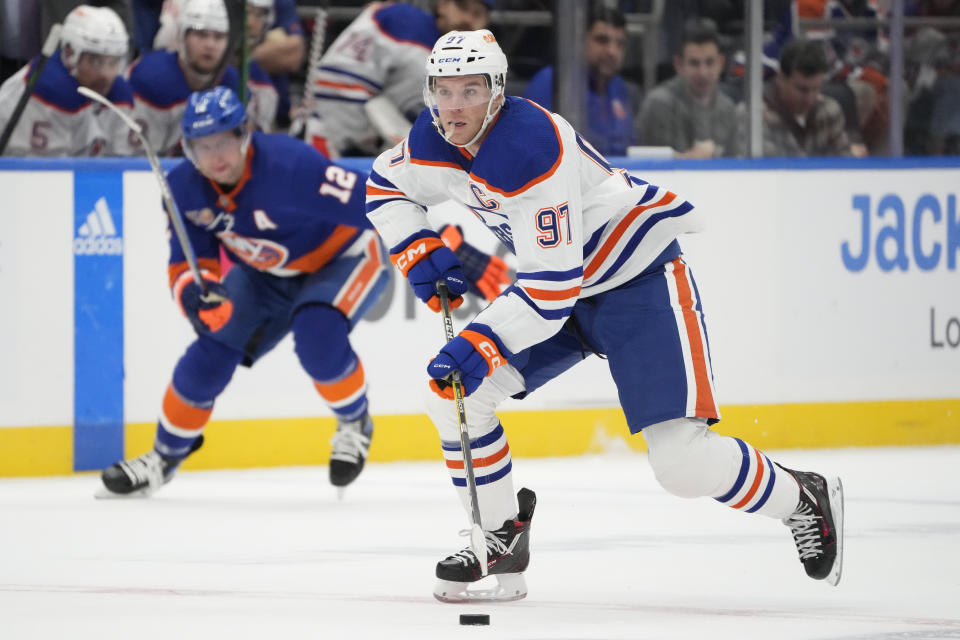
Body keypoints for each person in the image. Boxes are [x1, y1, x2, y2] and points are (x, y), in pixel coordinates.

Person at [366, 30, 845, 602]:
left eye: (471, 90)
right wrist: (417, 247)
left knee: (682, 465)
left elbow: (549, 291)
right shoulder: (433, 137)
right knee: (453, 394)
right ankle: (499, 536)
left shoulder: (531, 147)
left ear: (497, 92)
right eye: (444, 91)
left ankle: (803, 497)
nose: (455, 105)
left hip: (635, 281)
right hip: (564, 288)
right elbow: (384, 184)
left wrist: (482, 339)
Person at [99, 86, 388, 496]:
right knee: (207, 356)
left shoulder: (290, 163)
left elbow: (378, 203)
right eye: (202, 146)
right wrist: (200, 298)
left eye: (224, 141)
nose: (215, 156)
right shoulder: (182, 188)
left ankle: (356, 422)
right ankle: (163, 459)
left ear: (244, 134)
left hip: (342, 256)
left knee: (317, 335)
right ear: (188, 148)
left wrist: (444, 241)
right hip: (264, 273)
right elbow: (190, 262)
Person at [302, 0, 492, 158]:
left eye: (477, 15)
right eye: (462, 7)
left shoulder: (476, 63)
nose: (468, 19)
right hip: (334, 144)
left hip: (382, 153)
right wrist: (359, 145)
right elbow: (336, 83)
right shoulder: (401, 22)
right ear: (442, 4)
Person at [128, 0, 276, 156]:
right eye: (201, 34)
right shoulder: (152, 79)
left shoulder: (235, 85)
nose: (210, 45)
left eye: (218, 37)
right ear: (182, 37)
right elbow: (139, 162)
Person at [0, 4, 136, 156]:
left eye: (113, 62)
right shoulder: (48, 88)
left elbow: (121, 164)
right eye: (95, 61)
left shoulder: (119, 94)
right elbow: (41, 173)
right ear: (70, 54)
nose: (106, 75)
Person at [523, 4, 636, 157]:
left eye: (620, 44)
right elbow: (536, 151)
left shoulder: (619, 87)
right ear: (580, 41)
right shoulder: (552, 82)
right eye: (602, 40)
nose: (612, 51)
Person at [636, 18, 738, 159]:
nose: (703, 73)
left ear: (721, 63)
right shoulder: (659, 104)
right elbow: (652, 165)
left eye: (709, 62)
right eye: (694, 63)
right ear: (679, 65)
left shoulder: (728, 109)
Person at [735, 38, 852, 157]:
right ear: (781, 78)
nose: (810, 98)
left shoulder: (830, 111)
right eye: (802, 89)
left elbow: (846, 164)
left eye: (816, 89)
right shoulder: (753, 116)